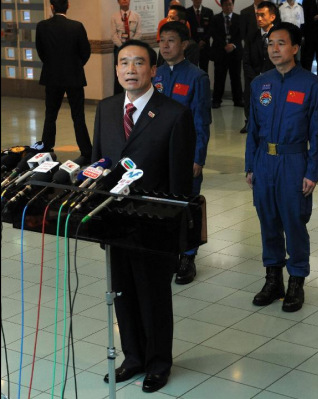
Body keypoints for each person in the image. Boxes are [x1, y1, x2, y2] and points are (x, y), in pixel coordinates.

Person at [93, 40, 195, 392]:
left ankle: (157, 363)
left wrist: (177, 237)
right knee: (121, 293)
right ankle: (133, 357)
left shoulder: (174, 114)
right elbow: (99, 165)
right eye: (123, 63)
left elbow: (181, 184)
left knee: (153, 297)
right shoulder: (105, 110)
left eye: (139, 63)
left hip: (154, 226)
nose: (130, 70)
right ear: (116, 69)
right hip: (115, 221)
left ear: (153, 70)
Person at [245, 22, 318, 312]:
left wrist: (312, 172)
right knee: (267, 220)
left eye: (281, 43)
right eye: (271, 44)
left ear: (295, 47)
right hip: (264, 162)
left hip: (294, 161)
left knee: (294, 222)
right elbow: (253, 130)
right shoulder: (259, 84)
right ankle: (272, 279)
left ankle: (296, 280)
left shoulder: (311, 85)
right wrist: (250, 166)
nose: (275, 49)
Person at [153, 22, 211, 284]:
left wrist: (198, 156)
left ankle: (188, 255)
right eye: (162, 41)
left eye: (171, 41)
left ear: (184, 45)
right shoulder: (156, 74)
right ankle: (168, 253)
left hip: (185, 153)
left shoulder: (196, 77)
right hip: (159, 153)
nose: (165, 46)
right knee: (162, 202)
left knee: (187, 203)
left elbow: (201, 121)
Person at [35, 0, 93, 161]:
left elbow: (40, 51)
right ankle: (86, 151)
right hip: (74, 77)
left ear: (52, 7)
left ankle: (46, 147)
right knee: (78, 115)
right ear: (68, 6)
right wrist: (75, 66)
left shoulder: (42, 26)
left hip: (51, 77)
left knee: (50, 114)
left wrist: (52, 65)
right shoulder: (77, 26)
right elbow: (85, 51)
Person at [241, 1, 277, 134]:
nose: (259, 18)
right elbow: (246, 61)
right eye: (257, 15)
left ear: (272, 17)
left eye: (262, 15)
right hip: (254, 77)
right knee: (250, 98)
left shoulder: (280, 35)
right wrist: (256, 78)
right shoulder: (252, 36)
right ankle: (250, 122)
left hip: (274, 78)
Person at [209, 0, 244, 109]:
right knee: (219, 77)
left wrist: (233, 45)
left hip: (235, 52)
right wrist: (225, 45)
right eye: (226, 4)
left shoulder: (239, 18)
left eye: (230, 4)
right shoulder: (215, 18)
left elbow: (241, 34)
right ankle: (216, 100)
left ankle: (238, 100)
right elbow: (214, 34)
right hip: (220, 52)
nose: (228, 6)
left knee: (236, 77)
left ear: (233, 5)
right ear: (222, 5)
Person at [111, 0, 142, 94]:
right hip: (119, 48)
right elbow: (113, 35)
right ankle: (118, 96)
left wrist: (130, 45)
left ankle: (134, 93)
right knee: (119, 73)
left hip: (134, 48)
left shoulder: (136, 16)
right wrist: (122, 47)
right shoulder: (114, 17)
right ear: (118, 2)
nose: (125, 1)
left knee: (133, 71)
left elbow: (139, 33)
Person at [186, 0, 214, 72]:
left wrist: (203, 40)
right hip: (192, 47)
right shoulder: (187, 12)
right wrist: (195, 42)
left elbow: (211, 29)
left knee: (204, 71)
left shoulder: (209, 12)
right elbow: (187, 30)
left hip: (205, 46)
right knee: (191, 70)